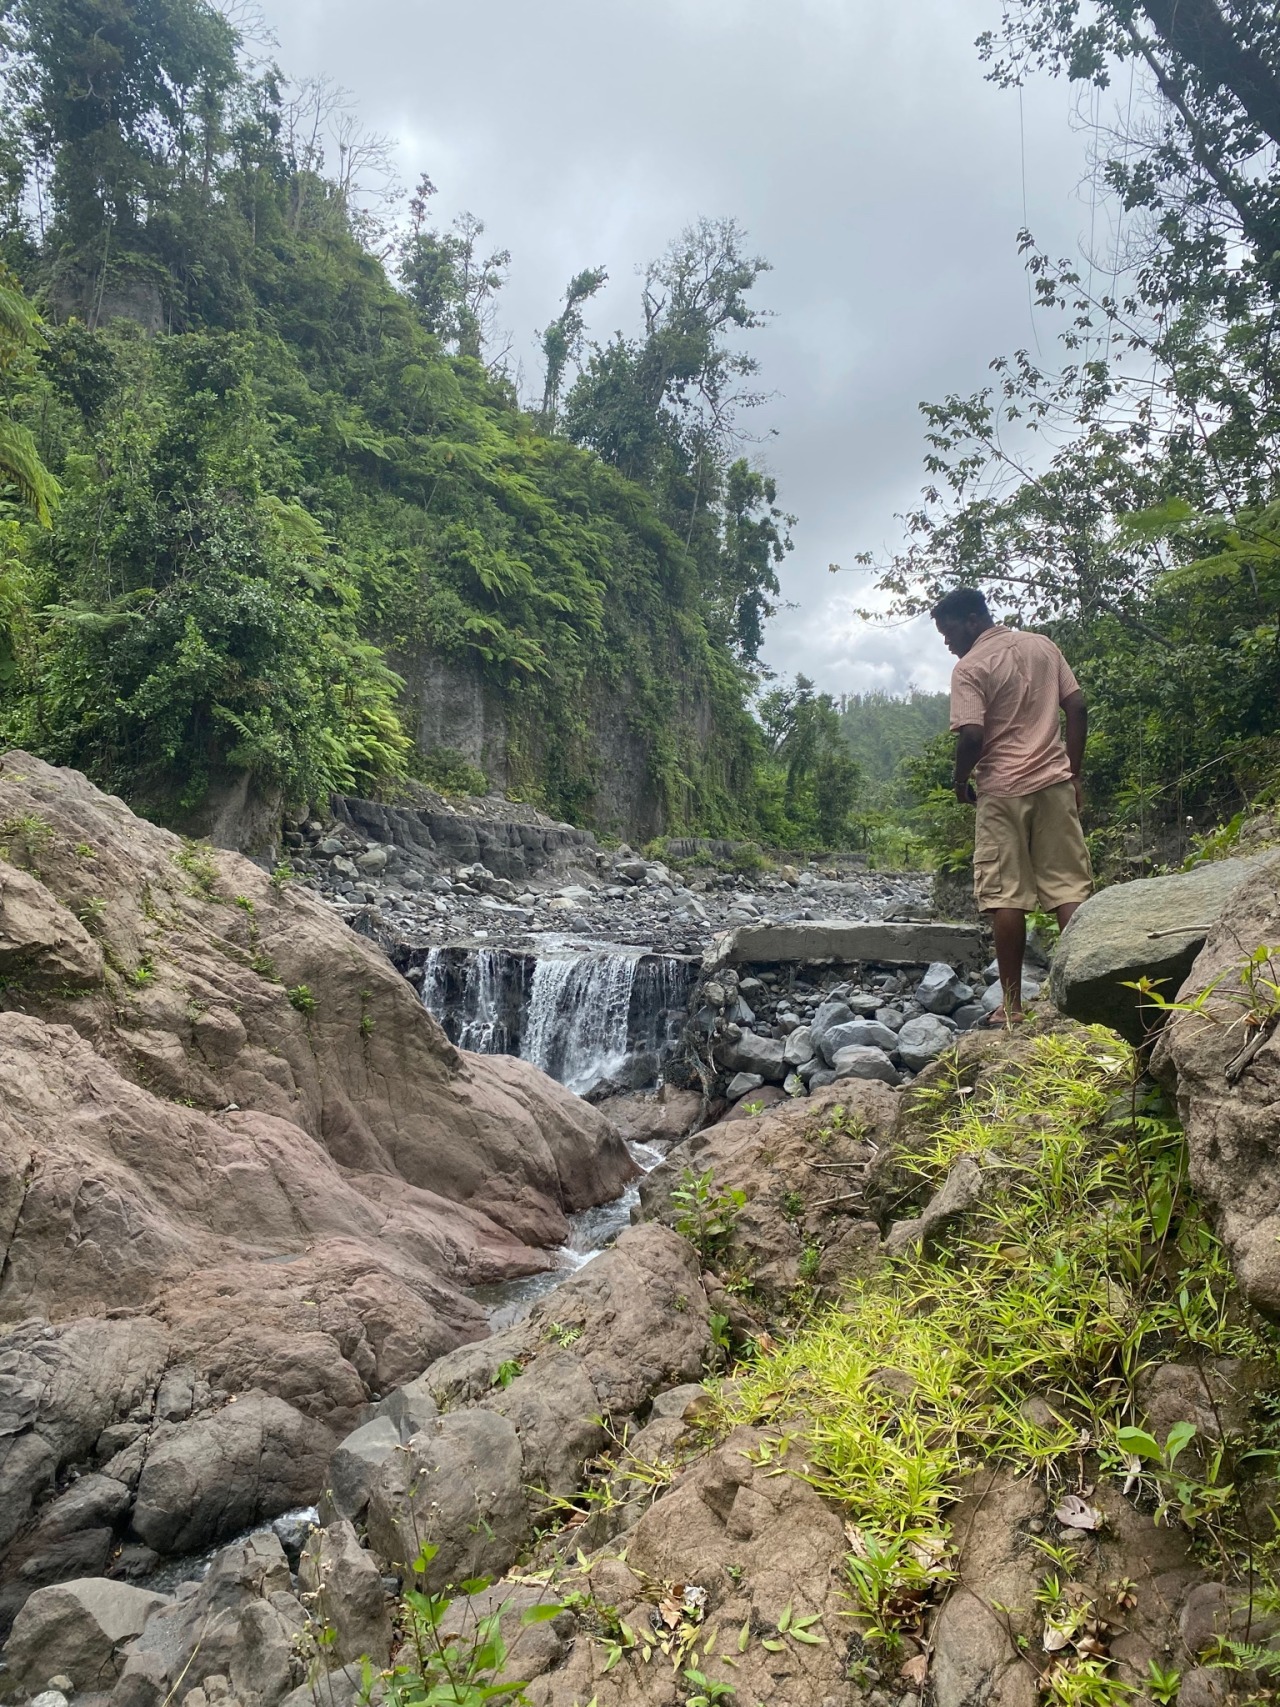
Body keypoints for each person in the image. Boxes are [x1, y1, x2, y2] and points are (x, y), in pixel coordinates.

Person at [932, 586, 1091, 1026]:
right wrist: (1073, 773)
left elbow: (971, 735)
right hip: (1054, 784)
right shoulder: (1043, 645)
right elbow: (1076, 707)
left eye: (948, 633)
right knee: (1069, 888)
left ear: (970, 620)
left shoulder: (970, 667)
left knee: (1007, 895)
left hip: (1002, 791)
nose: (948, 644)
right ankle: (1082, 996)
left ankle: (1013, 1006)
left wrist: (959, 781)